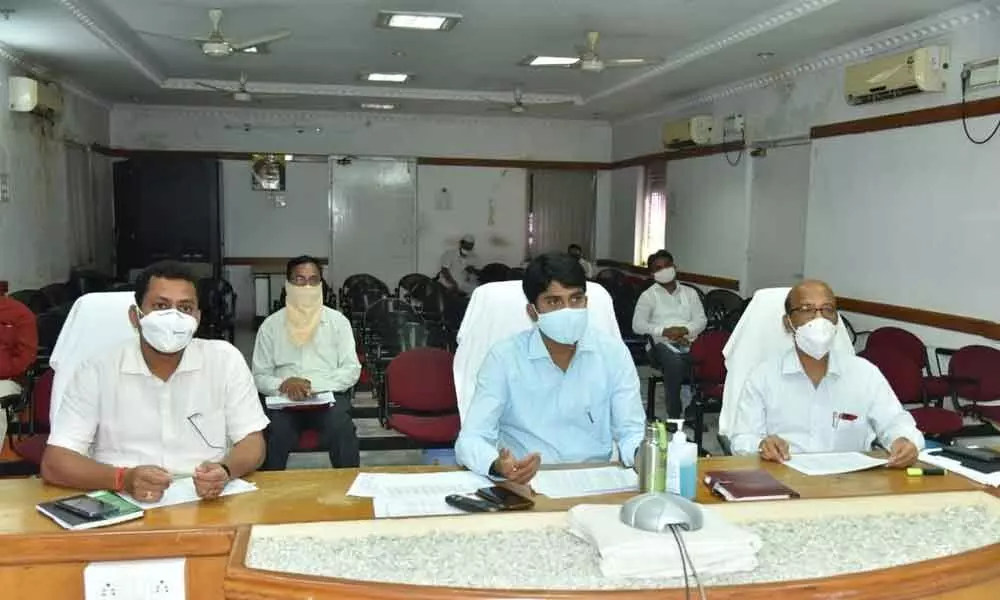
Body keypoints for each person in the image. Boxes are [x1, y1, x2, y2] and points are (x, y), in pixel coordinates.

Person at [41, 261, 269, 501]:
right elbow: (55, 462)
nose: (173, 317)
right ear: (135, 316)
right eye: (161, 306)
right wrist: (123, 479)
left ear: (197, 318)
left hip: (207, 502)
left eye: (185, 307)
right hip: (123, 501)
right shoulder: (96, 369)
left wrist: (225, 470)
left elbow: (253, 443)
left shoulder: (225, 359)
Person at [455, 252, 646, 484]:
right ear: (532, 312)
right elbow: (472, 439)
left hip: (595, 481)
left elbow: (631, 432)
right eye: (554, 302)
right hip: (529, 482)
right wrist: (497, 465)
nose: (568, 310)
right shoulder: (504, 357)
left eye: (576, 299)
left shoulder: (613, 353)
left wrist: (642, 456)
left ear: (587, 302)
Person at [729, 280, 923, 467]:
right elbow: (742, 439)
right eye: (806, 310)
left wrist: (904, 441)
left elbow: (896, 422)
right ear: (788, 323)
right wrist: (761, 446)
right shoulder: (763, 376)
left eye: (827, 309)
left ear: (836, 321)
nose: (819, 319)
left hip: (849, 484)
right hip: (783, 480)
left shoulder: (864, 373)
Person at [252, 256, 361, 470]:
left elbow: (352, 370)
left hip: (327, 398)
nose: (307, 286)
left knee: (342, 428)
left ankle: (350, 488)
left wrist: (311, 385)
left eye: (313, 280)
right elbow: (259, 375)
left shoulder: (337, 322)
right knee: (274, 433)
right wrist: (284, 385)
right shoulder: (271, 326)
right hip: (284, 401)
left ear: (321, 284)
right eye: (300, 280)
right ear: (288, 284)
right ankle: (268, 495)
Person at [631, 250, 707, 419]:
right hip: (660, 345)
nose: (664, 270)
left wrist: (684, 330)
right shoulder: (648, 296)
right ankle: (675, 413)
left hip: (690, 340)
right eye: (658, 268)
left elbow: (701, 320)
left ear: (674, 267)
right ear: (652, 274)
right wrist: (664, 331)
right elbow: (637, 325)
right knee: (674, 362)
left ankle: (695, 404)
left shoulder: (690, 293)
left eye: (667, 266)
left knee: (713, 353)